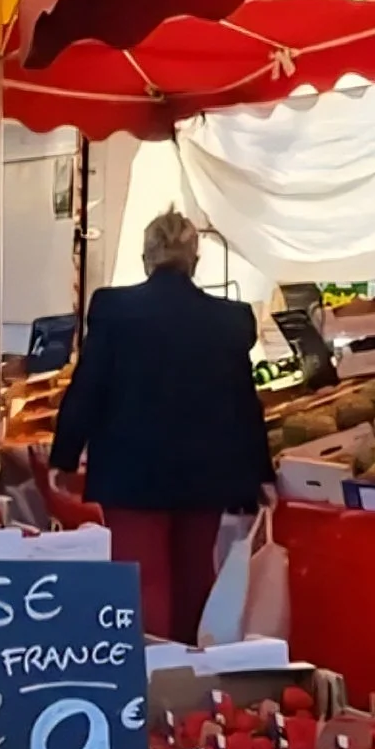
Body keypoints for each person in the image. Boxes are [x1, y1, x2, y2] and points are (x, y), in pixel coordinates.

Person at [51, 209, 274, 643]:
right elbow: (245, 403)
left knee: (143, 580)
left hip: (131, 471)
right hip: (205, 472)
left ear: (146, 257)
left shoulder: (114, 308)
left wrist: (64, 455)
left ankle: (149, 676)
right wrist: (259, 473)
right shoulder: (229, 320)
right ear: (195, 259)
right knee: (196, 576)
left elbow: (89, 387)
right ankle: (191, 676)